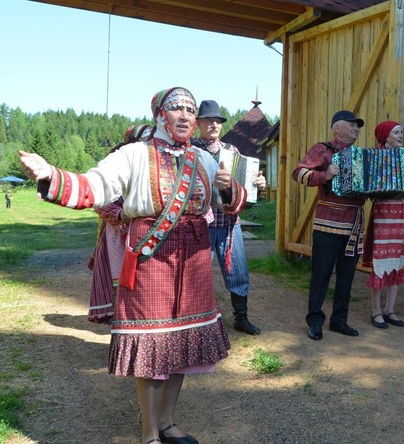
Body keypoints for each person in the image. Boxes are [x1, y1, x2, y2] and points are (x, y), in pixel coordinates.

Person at [19, 87, 246, 444]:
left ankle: (169, 423)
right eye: (176, 109)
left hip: (195, 257)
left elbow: (228, 204)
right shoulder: (134, 155)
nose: (185, 116)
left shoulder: (203, 160)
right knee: (153, 342)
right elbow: (93, 186)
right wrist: (51, 174)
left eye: (190, 109)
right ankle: (149, 432)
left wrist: (230, 187)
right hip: (151, 255)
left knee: (183, 343)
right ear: (160, 115)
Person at [192, 99, 266, 335]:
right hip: (200, 223)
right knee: (196, 273)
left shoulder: (232, 151)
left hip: (229, 223)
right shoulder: (190, 150)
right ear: (198, 123)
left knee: (238, 270)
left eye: (217, 121)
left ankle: (240, 318)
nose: (214, 124)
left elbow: (244, 187)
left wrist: (258, 185)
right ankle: (194, 323)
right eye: (208, 120)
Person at [292, 110, 366, 340]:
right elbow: (298, 172)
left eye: (357, 126)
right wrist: (325, 175)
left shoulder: (362, 156)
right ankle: (315, 321)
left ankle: (339, 321)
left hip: (354, 223)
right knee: (321, 275)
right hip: (328, 223)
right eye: (351, 124)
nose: (356, 128)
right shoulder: (322, 149)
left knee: (346, 277)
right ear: (337, 127)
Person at [87, 124, 153, 324]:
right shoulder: (118, 159)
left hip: (145, 229)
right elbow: (100, 199)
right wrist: (119, 215)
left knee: (144, 276)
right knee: (120, 275)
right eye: (144, 141)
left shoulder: (154, 162)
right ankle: (121, 317)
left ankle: (141, 316)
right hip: (118, 230)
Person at [362, 120, 404, 329]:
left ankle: (390, 310)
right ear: (385, 135)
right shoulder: (373, 156)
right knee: (382, 262)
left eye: (402, 132)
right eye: (396, 132)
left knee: (398, 261)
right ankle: (376, 311)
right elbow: (368, 187)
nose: (401, 135)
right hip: (384, 212)